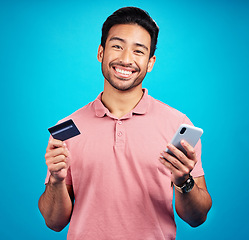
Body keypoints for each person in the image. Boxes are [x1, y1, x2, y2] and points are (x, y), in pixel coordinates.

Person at [38, 6, 212, 240]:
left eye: (138, 51)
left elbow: (197, 218)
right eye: (117, 46)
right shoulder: (66, 128)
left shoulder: (178, 125)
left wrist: (183, 181)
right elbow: (53, 222)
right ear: (101, 52)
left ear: (150, 62)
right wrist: (57, 181)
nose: (126, 59)